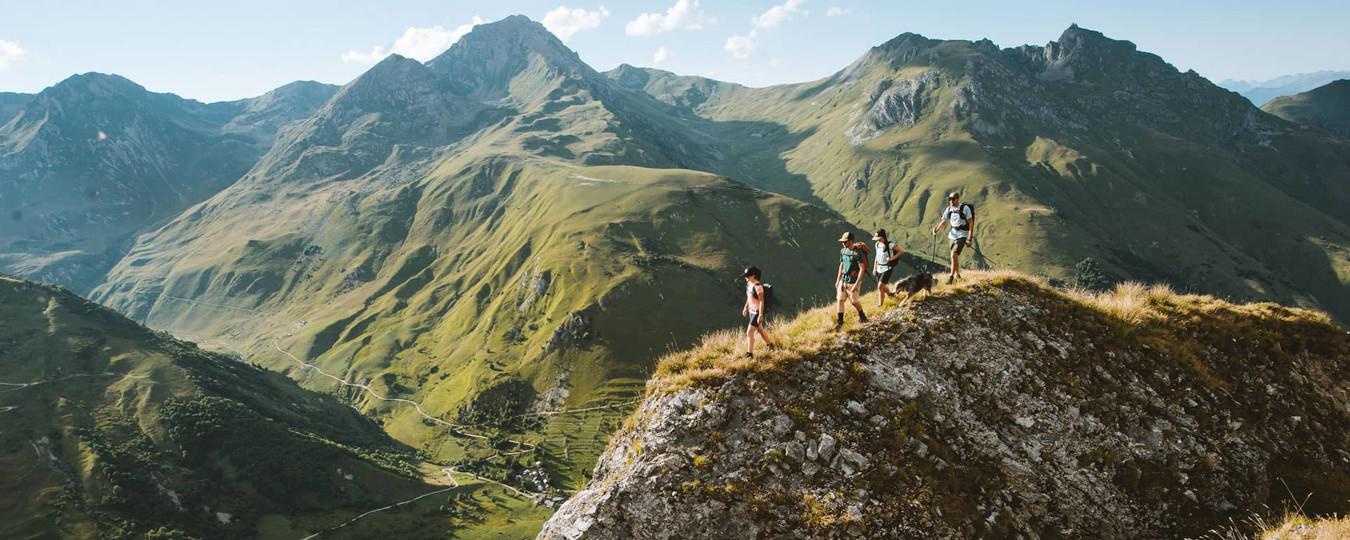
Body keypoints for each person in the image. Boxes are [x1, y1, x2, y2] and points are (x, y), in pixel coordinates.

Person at [931, 192, 974, 284]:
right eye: (950, 199)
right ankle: (957, 275)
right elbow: (944, 221)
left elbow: (971, 223)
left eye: (953, 199)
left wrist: (969, 238)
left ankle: (950, 278)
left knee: (954, 254)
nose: (951, 201)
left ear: (957, 199)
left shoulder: (965, 208)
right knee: (954, 257)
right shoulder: (949, 209)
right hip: (952, 235)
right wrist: (936, 230)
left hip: (963, 234)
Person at [834, 232, 869, 330]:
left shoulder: (857, 253)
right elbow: (841, 265)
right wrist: (838, 280)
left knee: (854, 302)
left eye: (845, 242)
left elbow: (862, 268)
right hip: (843, 280)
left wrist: (857, 284)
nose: (843, 244)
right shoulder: (843, 251)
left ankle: (863, 317)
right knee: (840, 300)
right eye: (843, 242)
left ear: (851, 241)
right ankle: (840, 322)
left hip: (853, 281)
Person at [741, 266, 774, 358]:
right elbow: (749, 298)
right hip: (751, 311)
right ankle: (770, 345)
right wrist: (745, 307)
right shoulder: (749, 284)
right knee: (760, 330)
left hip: (756, 312)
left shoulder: (758, 287)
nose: (746, 277)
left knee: (749, 332)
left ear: (754, 276)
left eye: (748, 276)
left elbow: (761, 301)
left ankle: (749, 354)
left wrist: (760, 314)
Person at [872, 229, 903, 307]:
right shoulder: (877, 245)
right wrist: (874, 268)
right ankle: (890, 295)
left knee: (880, 286)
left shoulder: (890, 245)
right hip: (879, 267)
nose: (877, 240)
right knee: (882, 286)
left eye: (878, 238)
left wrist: (892, 258)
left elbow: (901, 251)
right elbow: (877, 256)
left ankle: (880, 305)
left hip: (887, 268)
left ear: (882, 237)